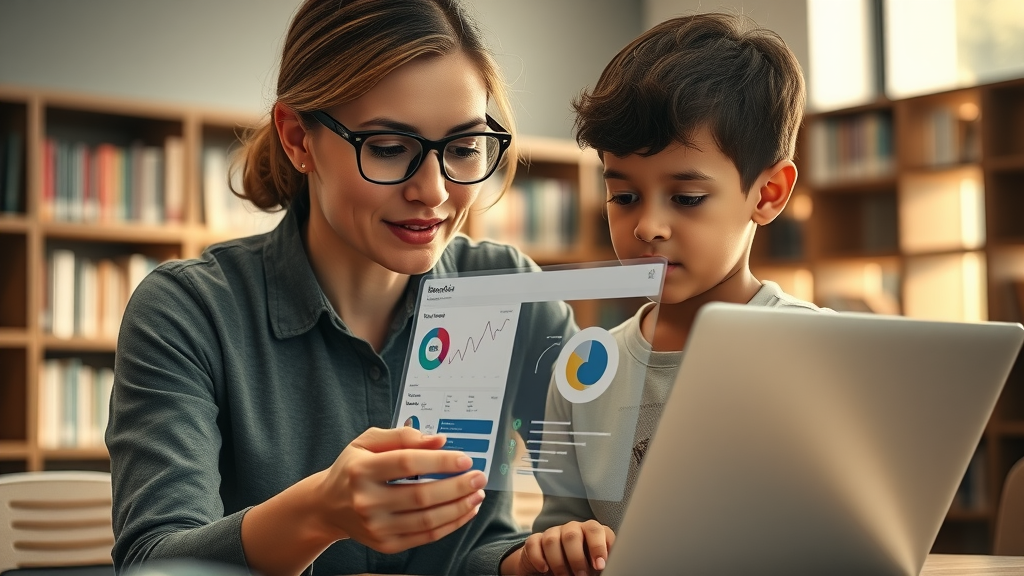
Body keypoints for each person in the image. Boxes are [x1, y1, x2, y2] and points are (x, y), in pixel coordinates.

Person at [105, 2, 575, 576]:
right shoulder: (188, 312)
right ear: (298, 138)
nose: (433, 191)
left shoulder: (512, 295)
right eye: (387, 148)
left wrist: (532, 561)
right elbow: (154, 562)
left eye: (463, 148)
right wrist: (319, 513)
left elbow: (597, 496)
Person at [501, 12, 832, 576]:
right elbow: (557, 527)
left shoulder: (821, 350)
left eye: (686, 198)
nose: (648, 226)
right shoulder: (580, 371)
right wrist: (561, 545)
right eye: (624, 197)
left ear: (768, 193)